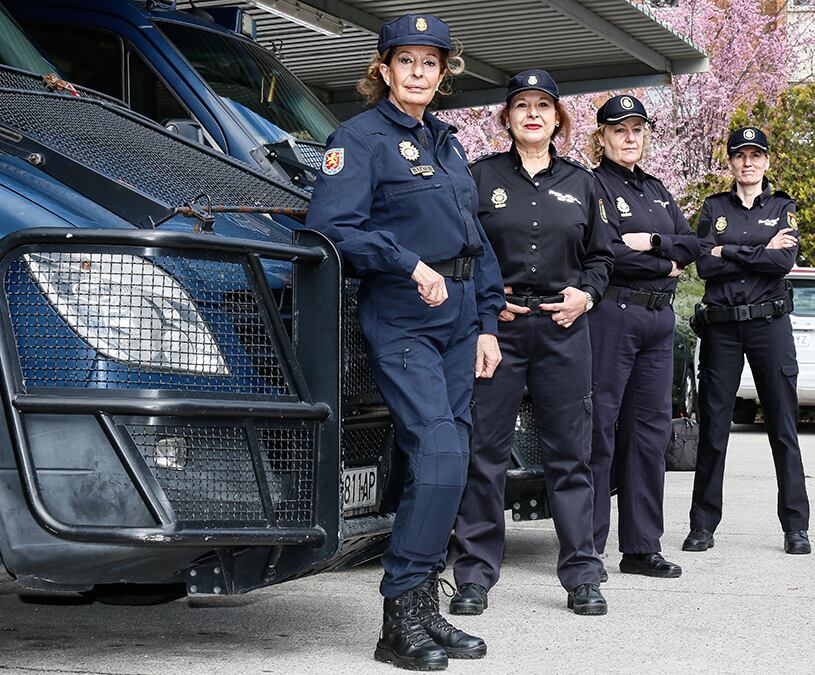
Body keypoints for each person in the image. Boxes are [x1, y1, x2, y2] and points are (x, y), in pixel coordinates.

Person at [304, 13, 505, 671]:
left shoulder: (444, 144)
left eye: (431, 62)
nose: (419, 73)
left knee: (446, 464)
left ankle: (422, 608)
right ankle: (397, 618)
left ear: (444, 72)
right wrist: (405, 262)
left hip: (456, 323)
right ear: (383, 69)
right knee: (441, 454)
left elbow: (475, 243)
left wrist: (487, 323)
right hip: (402, 318)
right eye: (407, 61)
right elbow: (333, 226)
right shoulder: (357, 140)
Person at [450, 69, 613, 617]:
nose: (533, 113)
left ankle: (582, 574)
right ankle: (473, 574)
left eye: (544, 104)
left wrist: (585, 297)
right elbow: (463, 252)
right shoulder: (478, 178)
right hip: (500, 329)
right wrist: (485, 304)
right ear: (508, 117)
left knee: (570, 455)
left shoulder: (582, 183)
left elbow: (602, 257)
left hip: (565, 329)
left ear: (558, 117)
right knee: (485, 453)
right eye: (522, 105)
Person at [684, 127, 810, 555]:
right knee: (714, 429)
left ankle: (796, 527)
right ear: (732, 162)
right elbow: (703, 264)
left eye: (756, 155)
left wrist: (730, 250)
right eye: (740, 155)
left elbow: (782, 261)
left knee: (782, 426)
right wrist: (755, 249)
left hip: (768, 328)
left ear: (766, 161)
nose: (748, 162)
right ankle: (702, 525)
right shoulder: (713, 207)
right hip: (722, 328)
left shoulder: (783, 207)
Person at [588, 95, 700, 578]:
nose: (629, 138)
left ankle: (640, 546)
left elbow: (693, 244)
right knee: (598, 431)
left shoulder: (658, 190)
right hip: (615, 313)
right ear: (602, 136)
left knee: (649, 435)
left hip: (659, 321)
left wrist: (654, 242)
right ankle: (587, 547)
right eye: (619, 129)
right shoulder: (591, 186)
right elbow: (607, 252)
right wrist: (666, 260)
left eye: (637, 129)